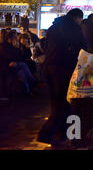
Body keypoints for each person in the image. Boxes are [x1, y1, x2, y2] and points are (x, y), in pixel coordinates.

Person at [37, 8, 87, 146]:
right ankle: (48, 133)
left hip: (49, 67)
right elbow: (83, 46)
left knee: (55, 101)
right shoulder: (73, 27)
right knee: (65, 101)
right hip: (63, 67)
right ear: (77, 17)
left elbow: (45, 45)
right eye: (80, 20)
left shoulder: (54, 27)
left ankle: (60, 133)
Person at [0, 30, 37, 97]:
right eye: (15, 37)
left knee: (22, 72)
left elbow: (19, 58)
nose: (17, 38)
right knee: (23, 65)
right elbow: (7, 57)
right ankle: (33, 82)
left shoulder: (14, 45)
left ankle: (27, 91)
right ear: (11, 38)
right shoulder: (4, 45)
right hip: (7, 66)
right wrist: (11, 62)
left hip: (15, 66)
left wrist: (16, 48)